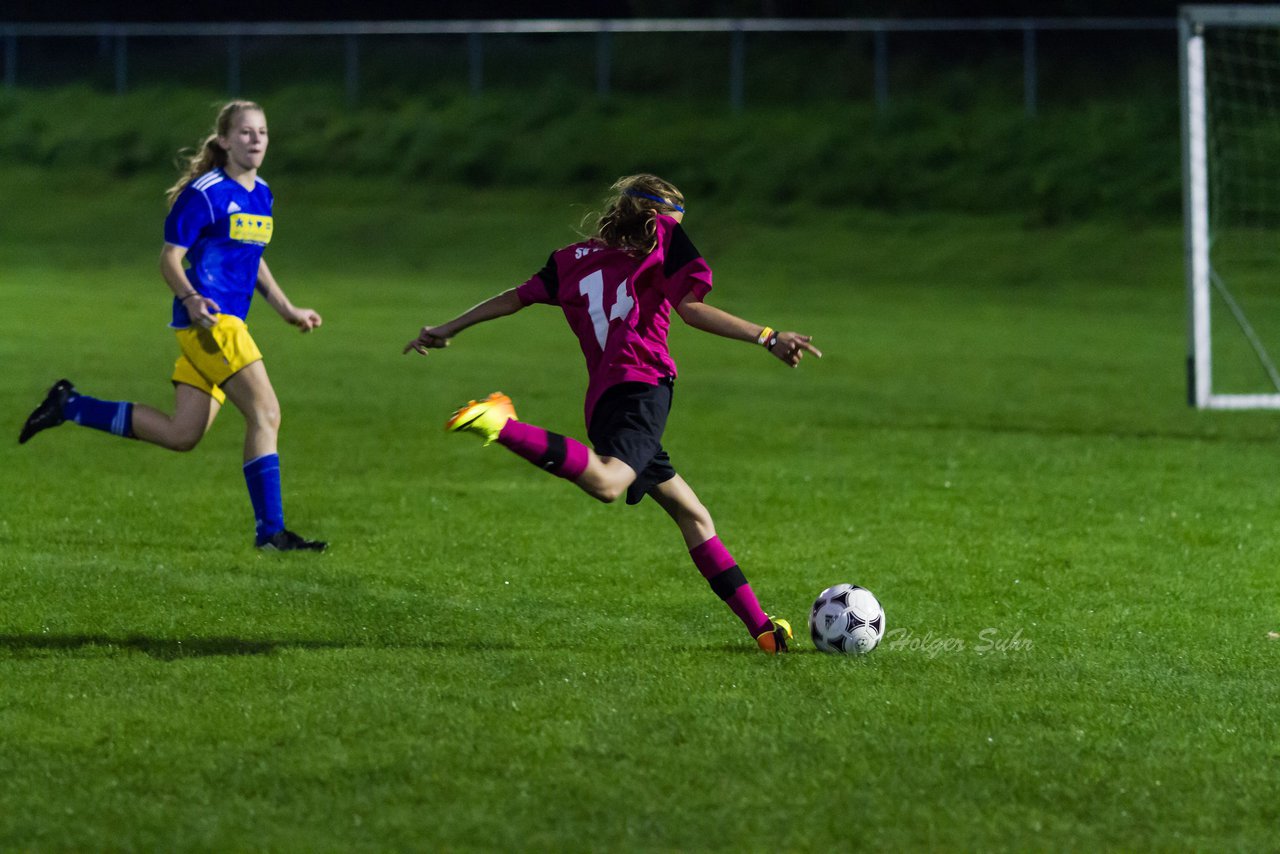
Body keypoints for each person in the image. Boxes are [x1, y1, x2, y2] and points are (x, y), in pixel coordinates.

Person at [404, 174, 821, 653]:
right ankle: (501, 423)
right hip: (642, 389)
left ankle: (763, 630)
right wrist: (768, 337)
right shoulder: (663, 238)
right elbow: (691, 309)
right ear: (656, 218)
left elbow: (514, 298)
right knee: (606, 483)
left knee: (694, 515)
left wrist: (447, 327)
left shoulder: (570, 260)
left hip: (604, 402)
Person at [18, 100, 327, 552]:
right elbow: (169, 259)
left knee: (181, 434)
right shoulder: (204, 192)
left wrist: (287, 309)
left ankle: (70, 405)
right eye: (245, 132)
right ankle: (271, 534)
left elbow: (251, 256)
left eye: (261, 132)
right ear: (224, 140)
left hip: (225, 325)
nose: (256, 139)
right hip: (210, 325)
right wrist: (190, 297)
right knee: (266, 414)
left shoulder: (263, 193)